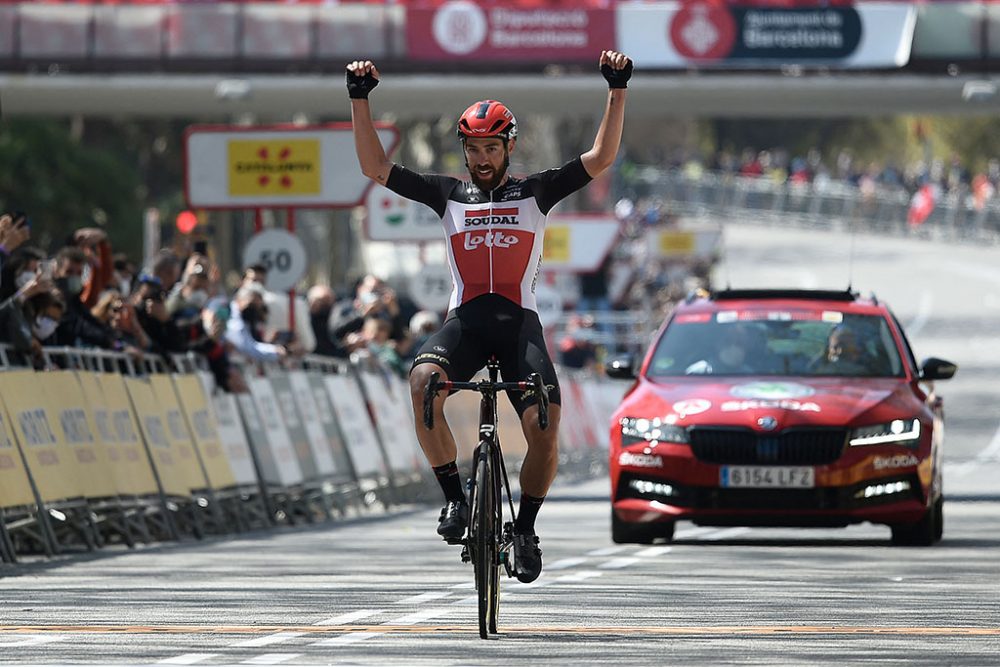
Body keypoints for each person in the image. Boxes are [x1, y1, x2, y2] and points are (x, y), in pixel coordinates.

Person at [347, 49, 632, 583]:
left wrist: (616, 91)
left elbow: (599, 158)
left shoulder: (536, 191)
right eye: (473, 147)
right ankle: (455, 499)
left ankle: (524, 530)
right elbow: (374, 167)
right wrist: (360, 99)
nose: (481, 157)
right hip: (466, 324)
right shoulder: (446, 194)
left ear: (508, 146)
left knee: (543, 423)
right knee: (423, 382)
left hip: (519, 324)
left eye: (491, 147)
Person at [808, 324, 873, 376]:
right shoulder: (817, 370)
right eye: (835, 347)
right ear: (829, 349)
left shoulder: (866, 372)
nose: (840, 351)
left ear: (855, 349)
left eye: (845, 348)